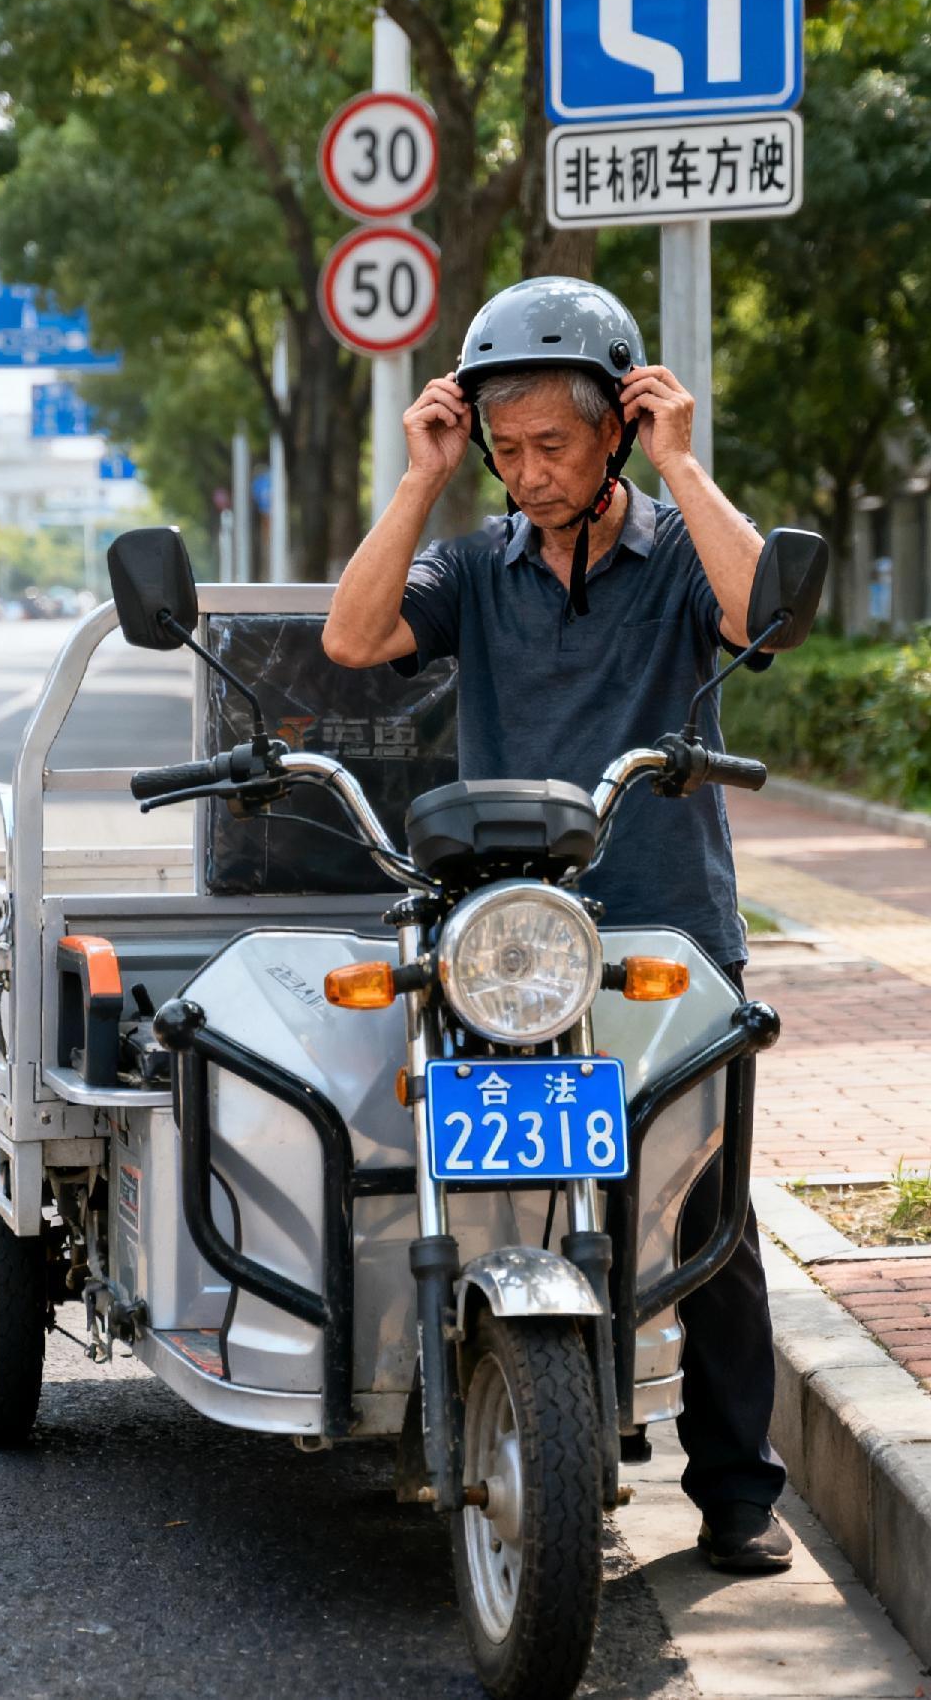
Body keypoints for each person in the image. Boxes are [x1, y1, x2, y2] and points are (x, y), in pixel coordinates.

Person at [322, 275, 792, 1574]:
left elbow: (762, 618)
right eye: (506, 448)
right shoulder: (474, 566)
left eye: (555, 447)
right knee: (485, 1175)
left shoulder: (677, 554)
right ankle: (522, 1397)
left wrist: (684, 468)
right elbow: (354, 637)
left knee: (705, 1211)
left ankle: (740, 1491)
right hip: (506, 943)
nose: (528, 474)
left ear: (617, 431)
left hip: (667, 928)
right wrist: (419, 479)